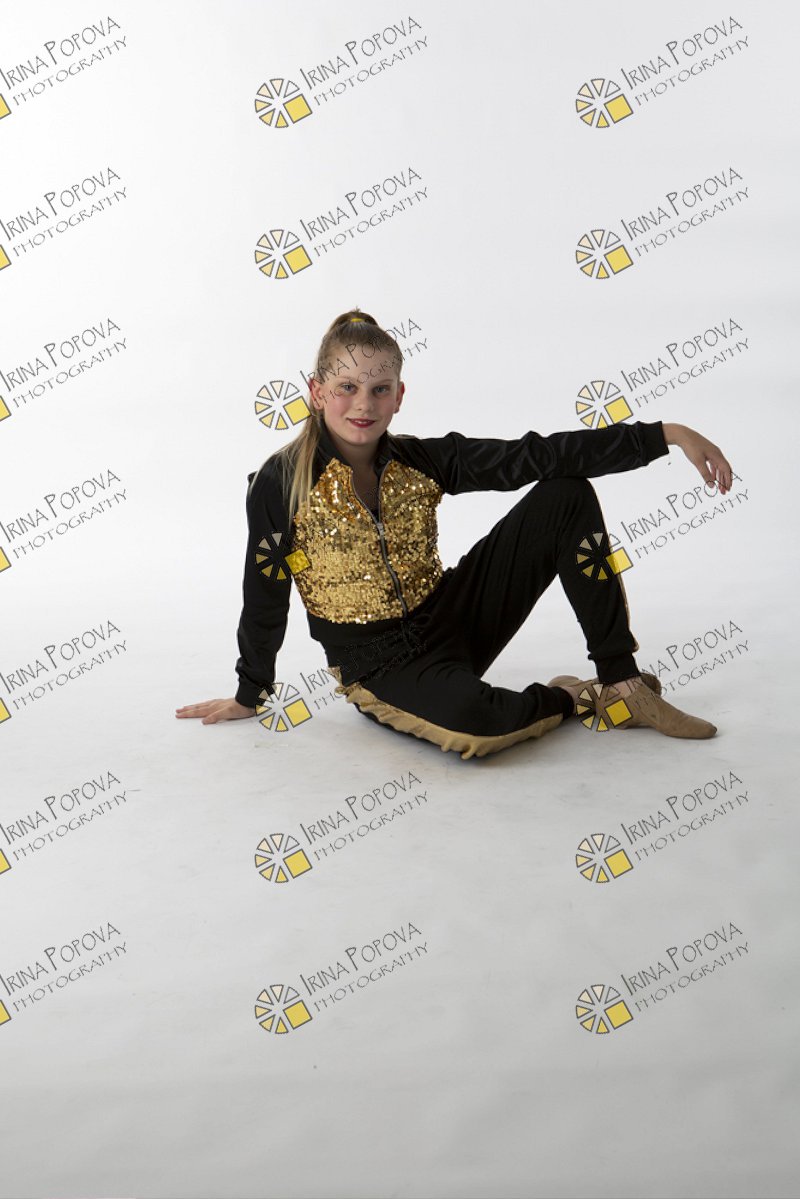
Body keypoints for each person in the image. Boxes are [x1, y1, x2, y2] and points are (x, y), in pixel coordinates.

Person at [176, 309, 733, 760]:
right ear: (317, 391)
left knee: (566, 494)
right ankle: (572, 697)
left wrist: (664, 435)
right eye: (347, 387)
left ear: (399, 395)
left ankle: (621, 684)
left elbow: (537, 455)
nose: (364, 404)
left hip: (452, 617)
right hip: (379, 664)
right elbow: (265, 591)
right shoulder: (280, 483)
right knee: (480, 725)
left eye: (379, 388)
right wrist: (251, 692)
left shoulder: (422, 460)